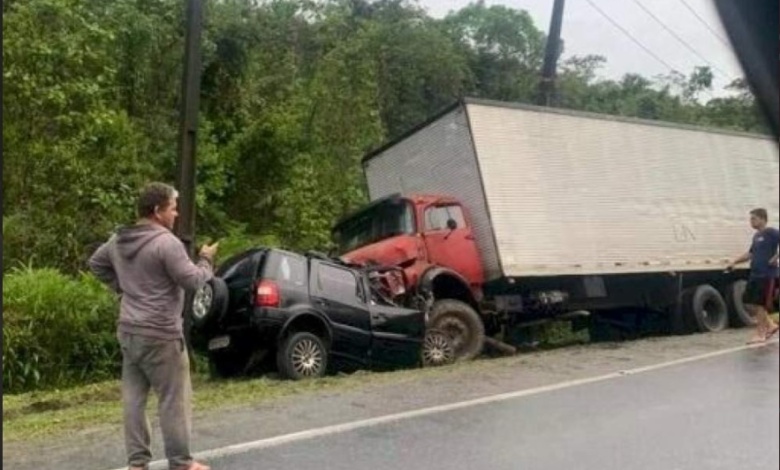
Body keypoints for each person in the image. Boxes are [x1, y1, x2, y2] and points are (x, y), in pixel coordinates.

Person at [89, 182, 218, 470]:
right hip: (161, 334)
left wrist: (124, 288)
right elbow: (194, 281)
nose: (177, 215)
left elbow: (96, 264)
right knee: (174, 400)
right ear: (158, 211)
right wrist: (206, 259)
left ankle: (137, 464)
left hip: (129, 330)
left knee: (133, 400)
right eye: (173, 208)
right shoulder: (166, 243)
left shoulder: (118, 240)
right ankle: (183, 464)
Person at [727, 208, 779, 344]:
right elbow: (750, 254)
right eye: (751, 219)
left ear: (762, 219)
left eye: (753, 218)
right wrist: (734, 262)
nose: (751, 222)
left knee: (759, 304)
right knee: (749, 302)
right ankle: (771, 325)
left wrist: (776, 256)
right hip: (755, 274)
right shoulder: (756, 237)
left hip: (767, 274)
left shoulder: (771, 232)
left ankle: (761, 334)